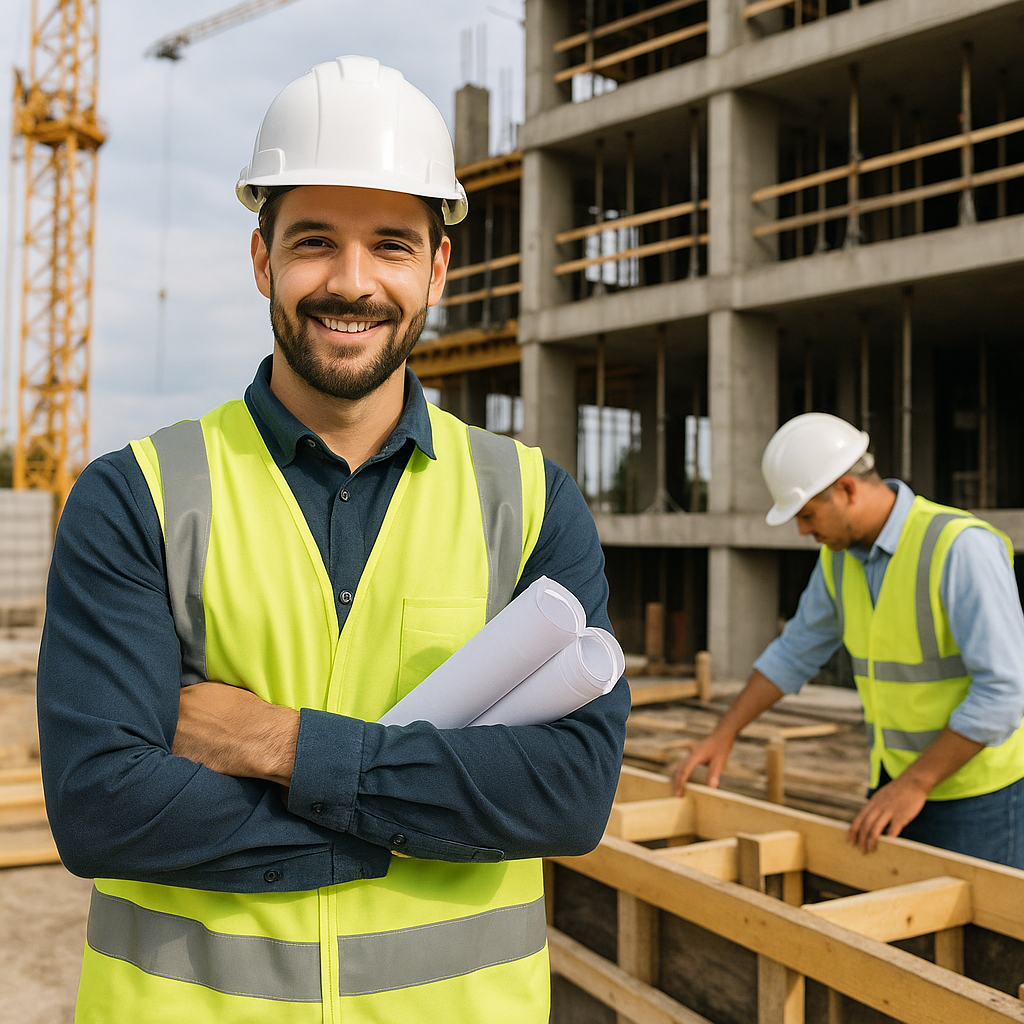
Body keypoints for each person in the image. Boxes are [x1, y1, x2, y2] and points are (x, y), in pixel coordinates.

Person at [36, 56, 629, 1024]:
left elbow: (568, 795)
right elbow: (104, 807)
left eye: (391, 246)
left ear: (437, 268)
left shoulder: (529, 502)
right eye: (314, 241)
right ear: (261, 259)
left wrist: (276, 742)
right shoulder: (136, 496)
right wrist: (422, 815)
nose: (352, 283)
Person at [673, 412, 1024, 867]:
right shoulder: (839, 560)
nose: (803, 531)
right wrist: (724, 733)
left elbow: (1004, 691)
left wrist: (916, 783)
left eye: (807, 514)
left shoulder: (960, 548)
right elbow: (793, 654)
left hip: (978, 797)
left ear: (847, 489)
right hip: (897, 781)